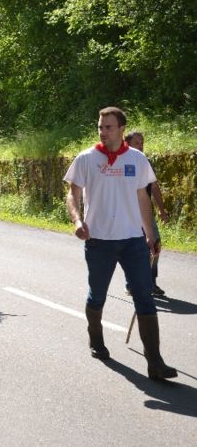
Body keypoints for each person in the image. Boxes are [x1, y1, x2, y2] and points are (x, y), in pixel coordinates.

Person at [64, 106, 176, 380]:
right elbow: (72, 194)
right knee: (97, 295)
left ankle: (155, 362)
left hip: (133, 241)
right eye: (100, 127)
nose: (103, 131)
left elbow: (142, 198)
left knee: (144, 297)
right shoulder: (87, 158)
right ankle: (96, 339)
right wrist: (77, 221)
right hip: (99, 240)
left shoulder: (137, 159)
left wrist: (150, 234)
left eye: (108, 127)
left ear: (121, 129)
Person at [124, 131, 170, 296]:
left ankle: (151, 283)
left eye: (142, 142)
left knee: (154, 245)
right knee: (132, 249)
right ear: (127, 143)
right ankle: (131, 284)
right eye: (137, 142)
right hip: (128, 213)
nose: (141, 145)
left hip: (145, 212)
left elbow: (155, 187)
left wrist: (161, 209)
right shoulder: (120, 162)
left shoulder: (144, 161)